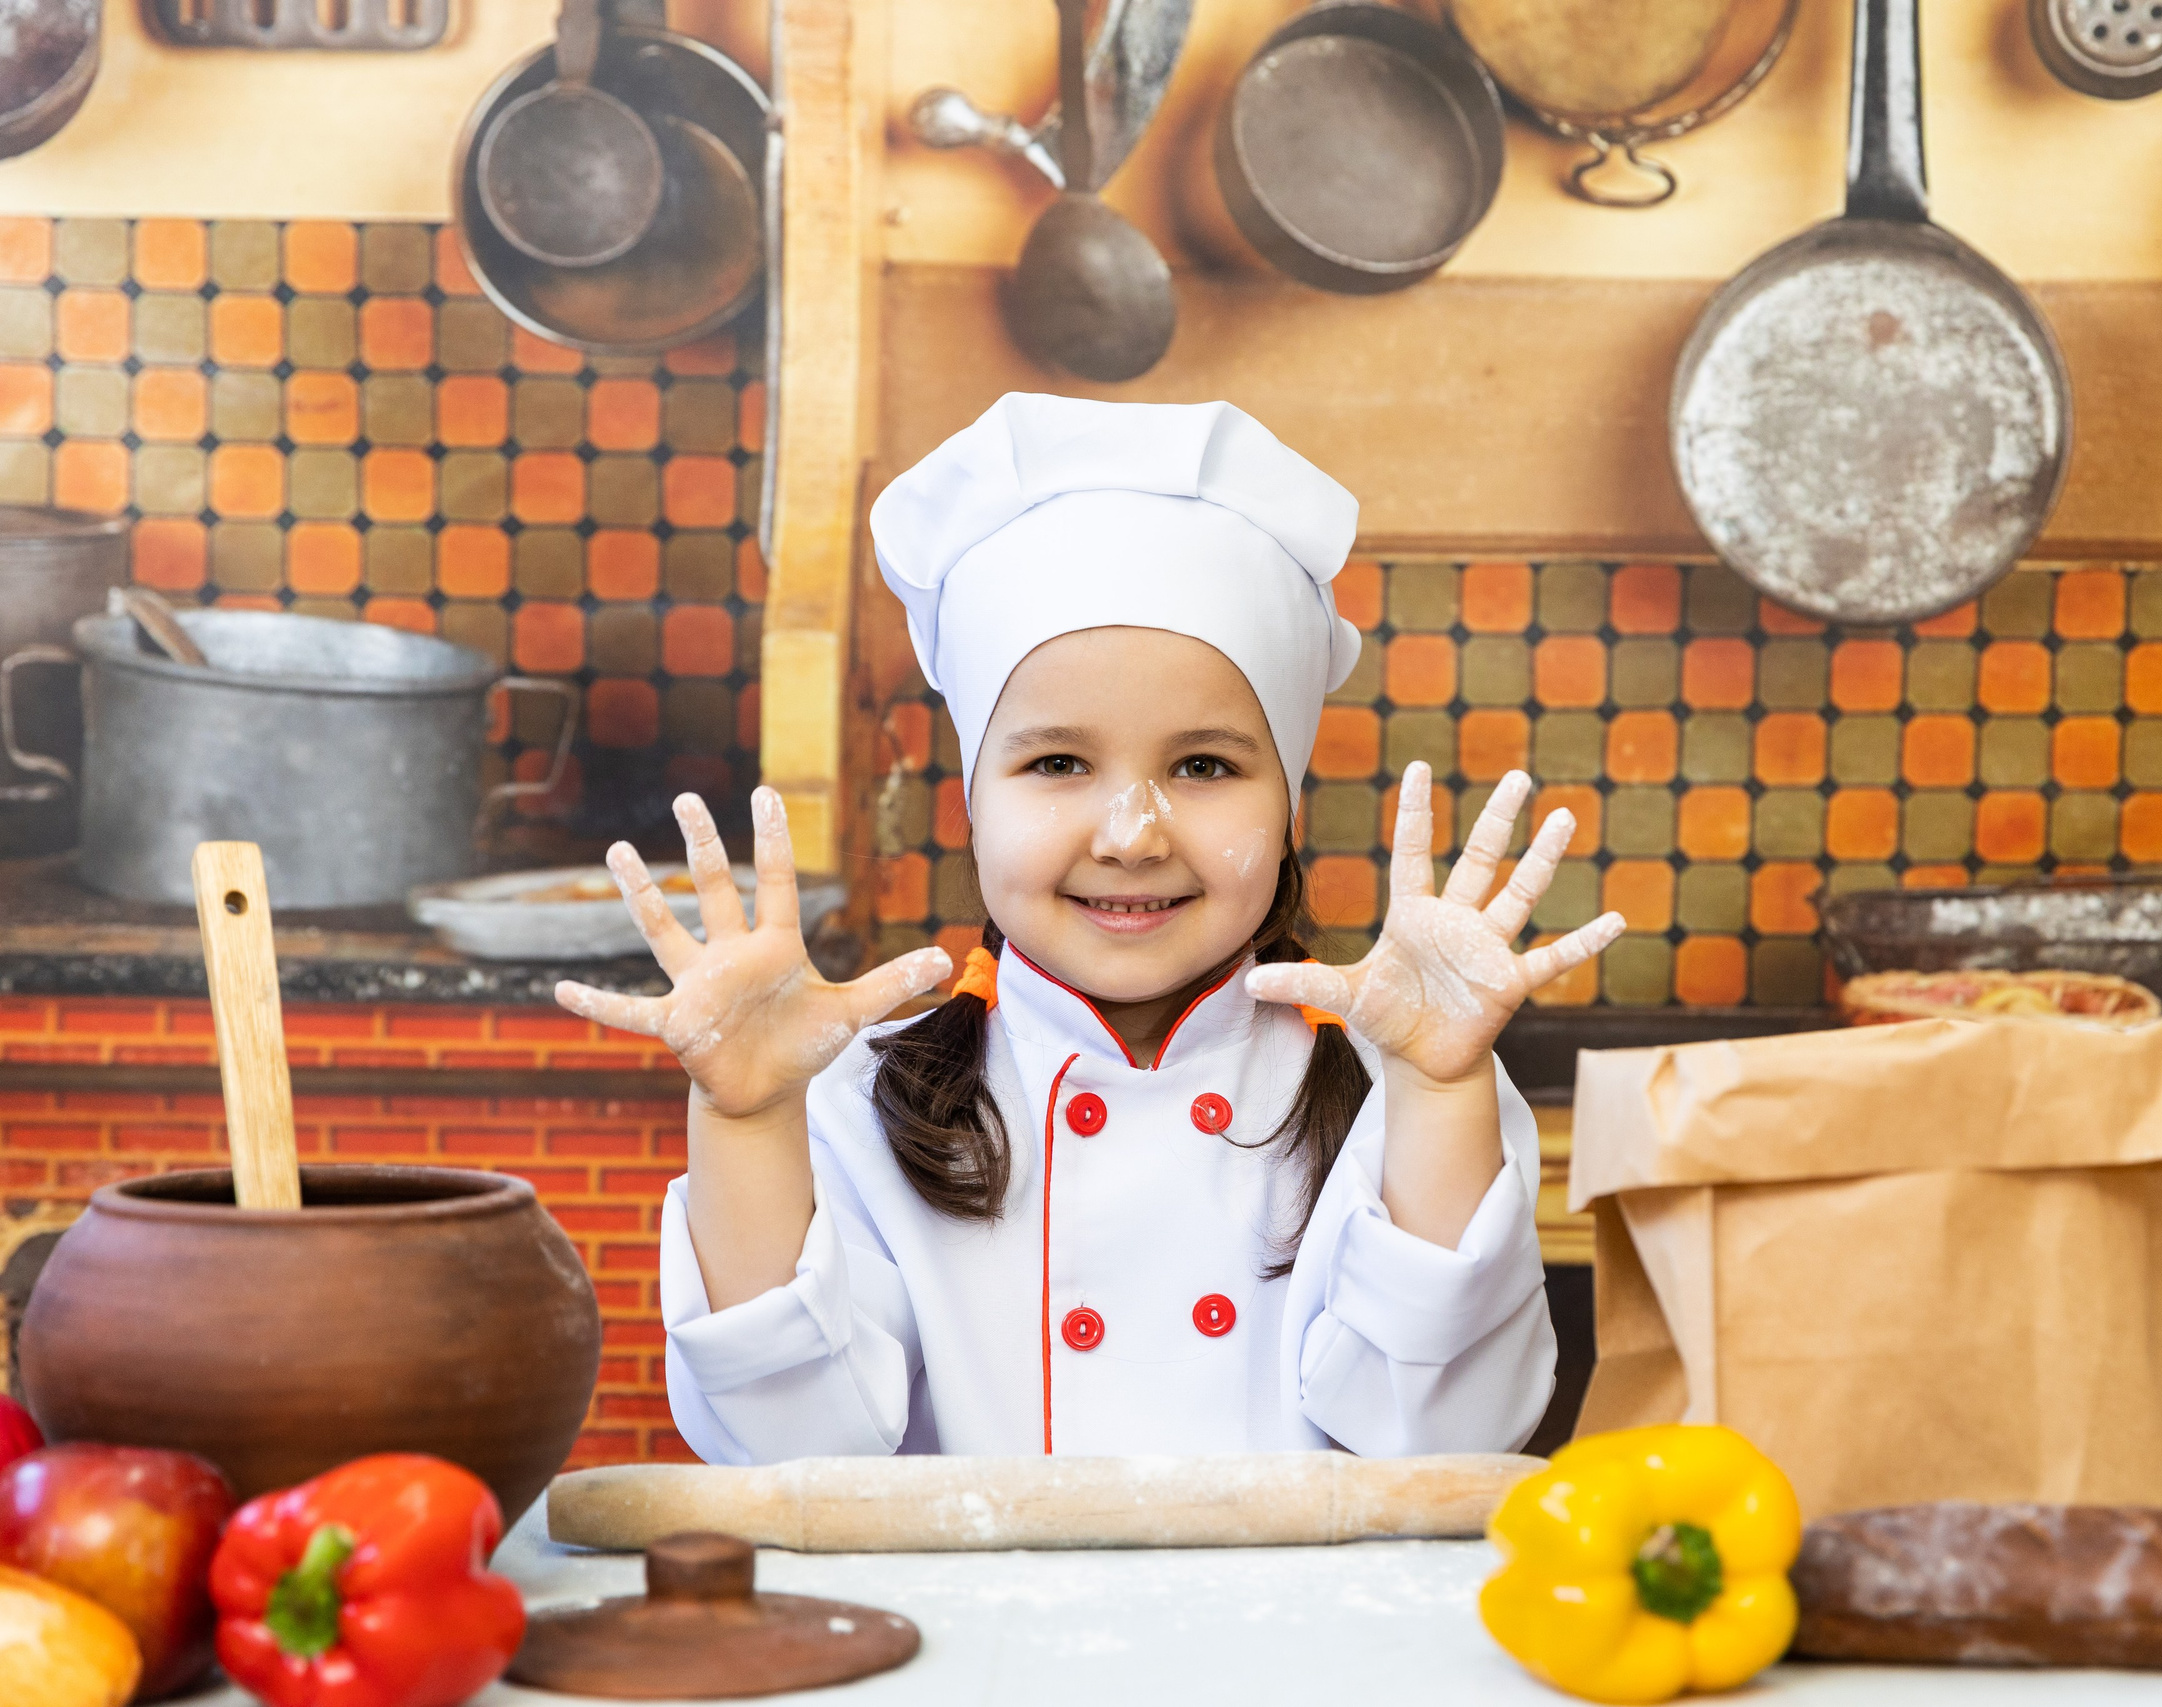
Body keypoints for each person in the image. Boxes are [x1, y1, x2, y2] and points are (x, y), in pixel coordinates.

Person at [557, 393, 1624, 1461]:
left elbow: (1451, 1443)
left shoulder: (1411, 1094)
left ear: (1290, 804)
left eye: (1202, 766)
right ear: (971, 800)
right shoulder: (848, 1107)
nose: (1130, 834)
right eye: (1057, 763)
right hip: (975, 1633)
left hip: (1300, 1630)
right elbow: (783, 1453)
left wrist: (1440, 1092)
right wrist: (743, 1124)